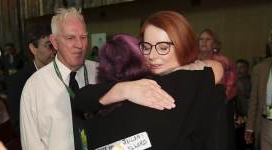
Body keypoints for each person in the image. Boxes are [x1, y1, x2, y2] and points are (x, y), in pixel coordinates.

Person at [20, 7, 175, 150]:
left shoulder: (102, 72)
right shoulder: (35, 86)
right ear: (54, 42)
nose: (79, 45)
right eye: (70, 38)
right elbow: (31, 143)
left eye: (83, 37)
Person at [73, 11, 225, 150]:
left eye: (163, 47)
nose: (152, 55)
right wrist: (124, 89)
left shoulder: (189, 81)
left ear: (183, 45)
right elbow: (82, 98)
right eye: (146, 47)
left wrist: (123, 90)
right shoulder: (145, 81)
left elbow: (82, 100)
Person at [6, 24, 56, 139]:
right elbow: (19, 126)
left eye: (56, 45)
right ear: (33, 49)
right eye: (49, 46)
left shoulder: (64, 73)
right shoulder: (17, 81)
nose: (54, 51)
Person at [198, 28, 237, 150]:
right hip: (196, 108)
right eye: (201, 39)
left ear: (215, 44)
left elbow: (231, 86)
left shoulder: (223, 61)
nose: (204, 42)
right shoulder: (191, 60)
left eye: (208, 39)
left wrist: (217, 102)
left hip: (218, 108)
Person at [234, 59, 252, 150]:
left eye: (242, 67)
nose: (239, 70)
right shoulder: (232, 83)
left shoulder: (253, 81)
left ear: (248, 69)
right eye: (237, 68)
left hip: (251, 119)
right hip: (239, 120)